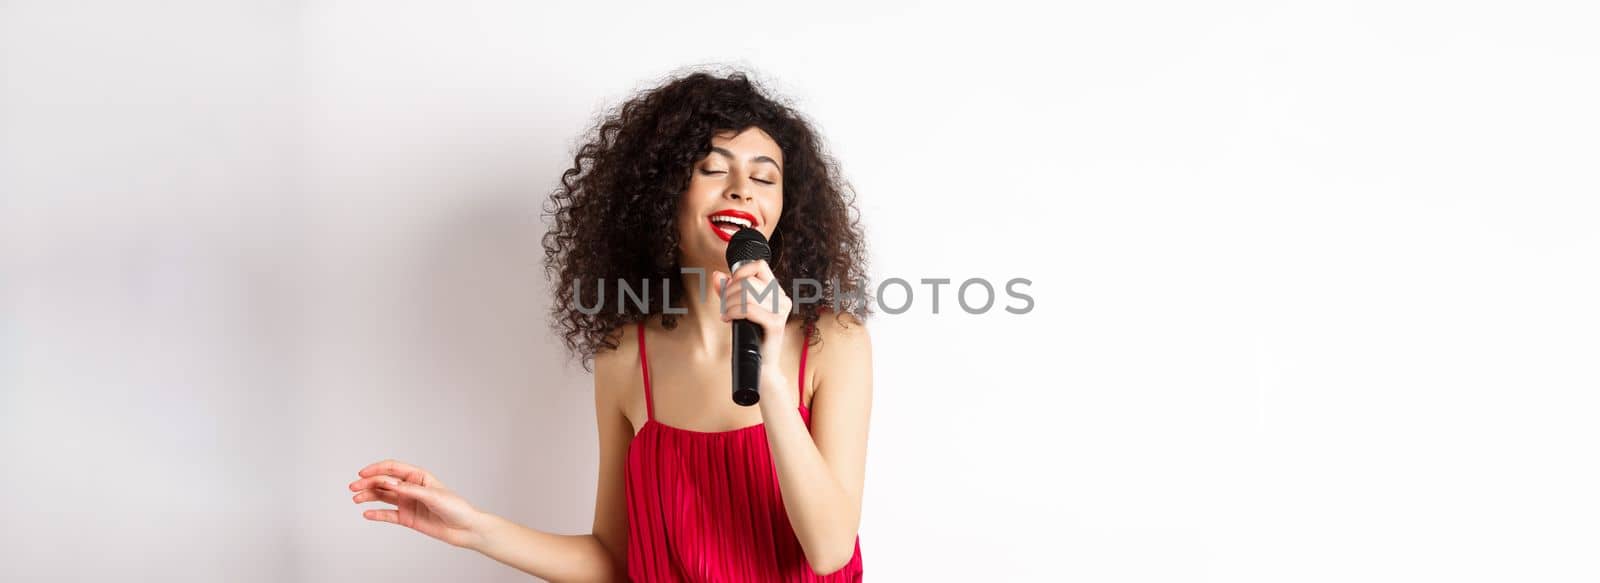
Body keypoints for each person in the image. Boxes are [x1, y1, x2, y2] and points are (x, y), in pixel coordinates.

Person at [347, 69, 873, 582]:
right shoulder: (625, 356)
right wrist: (474, 530)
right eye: (713, 169)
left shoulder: (833, 343)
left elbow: (828, 552)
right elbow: (615, 559)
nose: (742, 190)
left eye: (764, 177)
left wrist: (770, 384)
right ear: (665, 191)